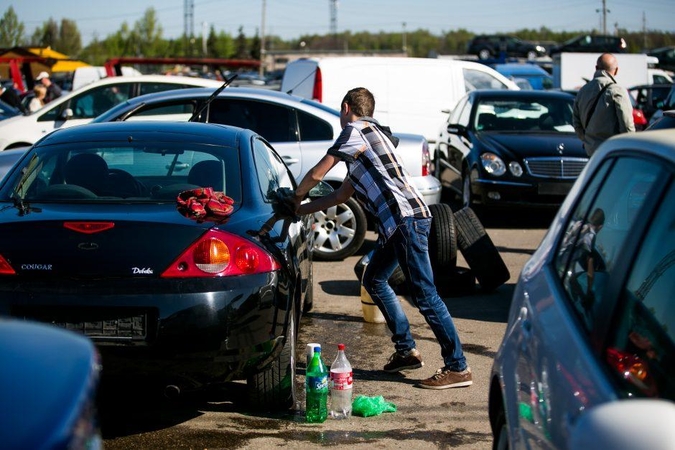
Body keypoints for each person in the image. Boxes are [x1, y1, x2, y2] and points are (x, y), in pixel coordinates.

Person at [293, 87, 472, 390]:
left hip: (405, 221)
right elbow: (340, 194)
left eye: (341, 112)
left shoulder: (356, 130)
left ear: (346, 108)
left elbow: (318, 175)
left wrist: (292, 197)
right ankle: (406, 351)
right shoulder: (373, 142)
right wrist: (300, 210)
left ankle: (458, 367)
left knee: (426, 296)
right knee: (374, 278)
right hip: (401, 223)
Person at [572, 53, 635, 156]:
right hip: (612, 152)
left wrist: (588, 141)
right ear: (616, 70)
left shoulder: (583, 90)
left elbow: (576, 122)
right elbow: (627, 125)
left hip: (590, 152)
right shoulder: (617, 90)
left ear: (596, 68)